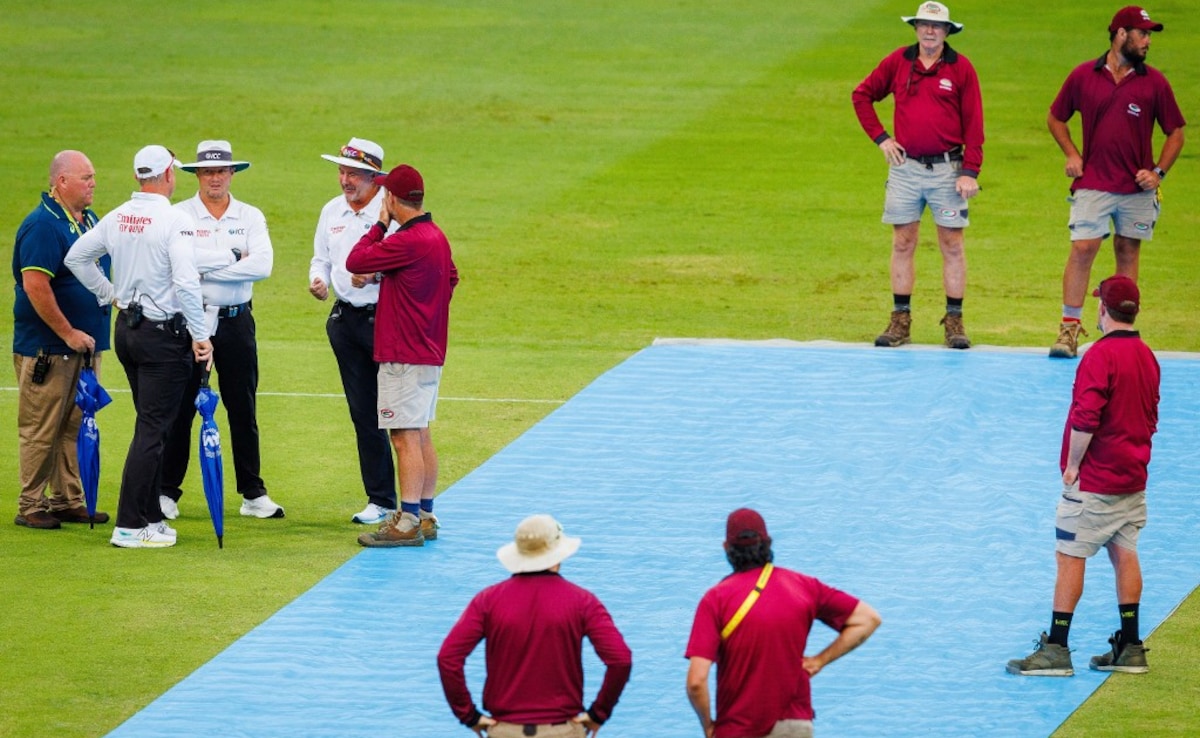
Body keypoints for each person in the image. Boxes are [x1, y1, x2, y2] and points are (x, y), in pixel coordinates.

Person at [1008, 275, 1160, 677]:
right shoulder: (1147, 355)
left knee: (1070, 556)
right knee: (1124, 552)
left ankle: (1056, 648)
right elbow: (1150, 416)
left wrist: (1073, 465)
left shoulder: (1098, 356)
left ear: (1103, 309)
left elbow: (1086, 417)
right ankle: (1130, 647)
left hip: (1096, 480)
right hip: (1133, 479)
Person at [65, 145, 213, 548]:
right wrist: (201, 336)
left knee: (152, 424)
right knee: (152, 429)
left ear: (138, 176)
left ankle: (149, 516)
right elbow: (185, 282)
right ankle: (130, 524)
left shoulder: (117, 216)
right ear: (168, 175)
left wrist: (111, 294)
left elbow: (77, 258)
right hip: (162, 337)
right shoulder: (174, 220)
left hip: (127, 331)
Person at [1046, 6, 1185, 358]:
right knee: (1082, 249)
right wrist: (1072, 154)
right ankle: (1069, 329)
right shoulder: (1083, 76)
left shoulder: (1154, 82)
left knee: (1128, 251)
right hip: (1093, 181)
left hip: (1136, 189)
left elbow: (1176, 132)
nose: (1148, 41)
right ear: (1121, 34)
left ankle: (1121, 331)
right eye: (1142, 34)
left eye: (1149, 34)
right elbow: (1056, 118)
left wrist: (1158, 173)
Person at [161, 140, 284, 521]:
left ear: (232, 173)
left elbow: (262, 266)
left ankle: (252, 492)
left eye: (221, 171)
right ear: (197, 175)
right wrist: (234, 259)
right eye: (207, 171)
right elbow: (174, 265)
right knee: (180, 408)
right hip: (189, 322)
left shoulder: (250, 216)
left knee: (242, 406)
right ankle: (167, 491)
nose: (214, 178)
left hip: (235, 321)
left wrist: (203, 268)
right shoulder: (178, 215)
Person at [852, 1, 984, 349]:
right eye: (924, 25)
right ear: (916, 28)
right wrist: (882, 139)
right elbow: (862, 95)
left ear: (946, 32)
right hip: (905, 168)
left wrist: (970, 171)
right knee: (902, 241)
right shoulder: (898, 61)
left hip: (948, 170)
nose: (929, 31)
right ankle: (900, 321)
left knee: (952, 245)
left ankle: (954, 323)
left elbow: (975, 123)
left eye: (936, 26)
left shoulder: (962, 69)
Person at [686, 508, 881, 738]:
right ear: (768, 543)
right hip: (795, 725)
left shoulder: (715, 599)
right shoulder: (804, 586)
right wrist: (819, 660)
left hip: (739, 728)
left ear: (726, 548)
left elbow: (696, 682)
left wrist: (708, 726)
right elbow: (868, 619)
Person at [438, 514, 632, 737]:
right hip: (562, 730)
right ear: (558, 554)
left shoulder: (488, 600)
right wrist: (599, 713)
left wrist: (468, 715)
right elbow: (620, 659)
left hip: (505, 730)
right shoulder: (582, 601)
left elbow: (448, 658)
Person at [348, 164, 458, 548]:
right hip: (428, 350)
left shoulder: (406, 239)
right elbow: (451, 278)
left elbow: (356, 261)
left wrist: (379, 226)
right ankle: (425, 514)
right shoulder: (435, 237)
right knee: (421, 432)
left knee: (403, 436)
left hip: (403, 354)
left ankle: (408, 519)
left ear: (392, 199)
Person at [12, 150, 112, 529]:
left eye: (93, 176)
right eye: (86, 177)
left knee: (73, 425)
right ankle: (31, 504)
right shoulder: (43, 226)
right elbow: (35, 285)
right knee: (42, 428)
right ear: (61, 182)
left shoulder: (86, 220)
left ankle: (68, 499)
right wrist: (68, 332)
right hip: (49, 349)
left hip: (82, 348)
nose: (93, 183)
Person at [308, 137, 398, 525]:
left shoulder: (391, 212)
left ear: (374, 178)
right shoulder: (331, 210)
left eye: (354, 174)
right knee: (362, 413)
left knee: (396, 414)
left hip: (386, 322)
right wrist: (318, 279)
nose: (345, 180)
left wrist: (375, 274)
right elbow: (321, 258)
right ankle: (380, 499)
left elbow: (407, 265)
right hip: (346, 321)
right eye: (342, 172)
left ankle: (412, 504)